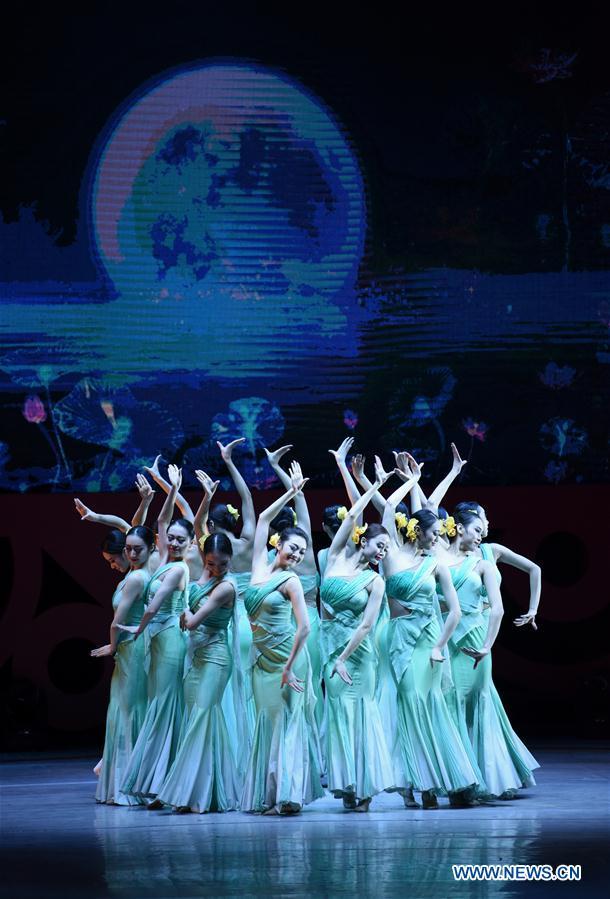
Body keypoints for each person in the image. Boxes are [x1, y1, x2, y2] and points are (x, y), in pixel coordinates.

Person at [381, 484, 480, 808]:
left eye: (439, 533)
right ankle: (416, 783)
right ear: (416, 531)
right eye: (433, 533)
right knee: (409, 706)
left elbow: (454, 610)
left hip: (429, 643)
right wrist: (407, 481)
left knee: (429, 704)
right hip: (399, 642)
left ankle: (430, 784)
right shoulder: (392, 555)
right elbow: (387, 509)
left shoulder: (435, 565)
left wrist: (439, 645)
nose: (438, 538)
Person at [241, 462, 323, 815]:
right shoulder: (259, 566)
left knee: (289, 723)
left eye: (302, 552)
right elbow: (261, 520)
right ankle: (269, 794)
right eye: (293, 548)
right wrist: (290, 492)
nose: (297, 555)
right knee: (267, 722)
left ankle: (289, 795)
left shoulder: (291, 581)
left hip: (289, 659)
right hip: (262, 662)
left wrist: (290, 667)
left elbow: (304, 627)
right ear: (279, 544)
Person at [442, 507, 539, 799]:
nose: (485, 525)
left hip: (481, 630)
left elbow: (535, 569)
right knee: (454, 702)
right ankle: (462, 775)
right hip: (451, 636)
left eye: (485, 522)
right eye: (479, 521)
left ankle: (491, 774)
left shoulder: (489, 552)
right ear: (459, 526)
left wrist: (533, 609)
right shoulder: (442, 556)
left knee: (481, 702)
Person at [320, 458, 396, 812]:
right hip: (328, 649)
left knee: (360, 713)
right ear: (362, 541)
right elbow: (351, 517)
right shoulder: (333, 558)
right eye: (378, 544)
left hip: (357, 654)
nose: (382, 551)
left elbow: (366, 625)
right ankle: (347, 784)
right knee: (337, 714)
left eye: (386, 549)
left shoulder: (376, 581)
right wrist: (369, 484)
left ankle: (364, 788)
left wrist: (342, 657)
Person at [118, 465, 190, 805]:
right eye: (170, 539)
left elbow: (156, 605)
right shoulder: (161, 560)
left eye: (180, 540)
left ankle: (167, 782)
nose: (173, 542)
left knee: (166, 706)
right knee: (156, 706)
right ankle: (158, 780)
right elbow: (159, 523)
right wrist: (172, 489)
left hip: (170, 638)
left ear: (191, 544)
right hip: (153, 642)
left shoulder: (178, 568)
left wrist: (139, 627)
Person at [155, 533, 241, 813]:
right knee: (198, 720)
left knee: (204, 715)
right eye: (212, 563)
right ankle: (201, 791)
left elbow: (190, 622)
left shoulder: (226, 586)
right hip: (196, 657)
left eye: (223, 563)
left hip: (216, 656)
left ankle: (191, 791)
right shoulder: (203, 578)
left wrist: (185, 614)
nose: (218, 569)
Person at [90, 526, 154, 804]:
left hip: (134, 650)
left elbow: (117, 621)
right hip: (128, 650)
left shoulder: (137, 577)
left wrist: (113, 646)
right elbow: (128, 526)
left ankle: (133, 784)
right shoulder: (132, 575)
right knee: (121, 710)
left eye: (114, 559)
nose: (115, 563)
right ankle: (120, 779)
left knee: (131, 710)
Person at [454, 501, 541, 630]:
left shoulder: (492, 550)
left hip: (486, 623)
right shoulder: (450, 553)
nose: (487, 522)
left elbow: (534, 569)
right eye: (484, 517)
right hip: (458, 623)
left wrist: (533, 609)